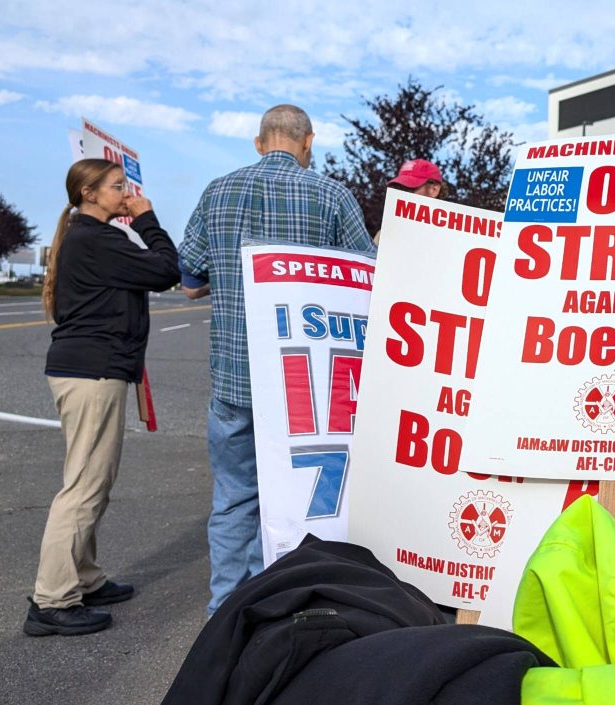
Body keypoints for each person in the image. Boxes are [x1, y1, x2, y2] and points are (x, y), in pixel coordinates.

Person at [179, 104, 374, 616]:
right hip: (306, 382)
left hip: (235, 380)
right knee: (308, 500)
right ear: (308, 141)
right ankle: (294, 606)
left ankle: (225, 610)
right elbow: (366, 277)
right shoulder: (332, 195)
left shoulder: (217, 192)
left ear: (259, 141)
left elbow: (190, 278)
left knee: (234, 499)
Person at [25, 159, 180, 636]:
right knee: (84, 488)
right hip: (92, 373)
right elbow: (164, 269)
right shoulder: (98, 238)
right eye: (117, 187)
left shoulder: (86, 236)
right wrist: (148, 218)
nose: (126, 193)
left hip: (88, 370)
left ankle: (84, 577)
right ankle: (52, 600)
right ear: (89, 193)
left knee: (94, 480)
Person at [374, 158, 447, 245]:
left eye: (409, 188)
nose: (402, 194)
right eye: (399, 189)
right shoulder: (385, 233)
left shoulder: (453, 236)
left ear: (434, 189)